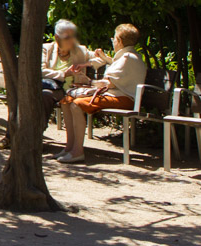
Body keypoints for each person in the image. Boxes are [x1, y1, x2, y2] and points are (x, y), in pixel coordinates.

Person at [57, 23, 146, 164]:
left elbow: (108, 83)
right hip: (115, 95)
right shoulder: (128, 56)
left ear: (120, 41)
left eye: (114, 39)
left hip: (123, 98)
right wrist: (104, 59)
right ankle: (69, 147)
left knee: (76, 104)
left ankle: (77, 151)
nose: (113, 41)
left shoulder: (127, 58)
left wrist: (88, 81)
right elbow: (116, 71)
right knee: (66, 100)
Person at [40, 20, 94, 128]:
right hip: (52, 87)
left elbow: (97, 58)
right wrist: (63, 74)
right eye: (67, 38)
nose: (72, 41)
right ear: (57, 38)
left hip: (69, 91)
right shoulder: (47, 49)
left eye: (73, 36)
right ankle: (12, 135)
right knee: (28, 95)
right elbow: (40, 70)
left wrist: (101, 56)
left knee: (45, 95)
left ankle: (37, 132)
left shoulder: (80, 51)